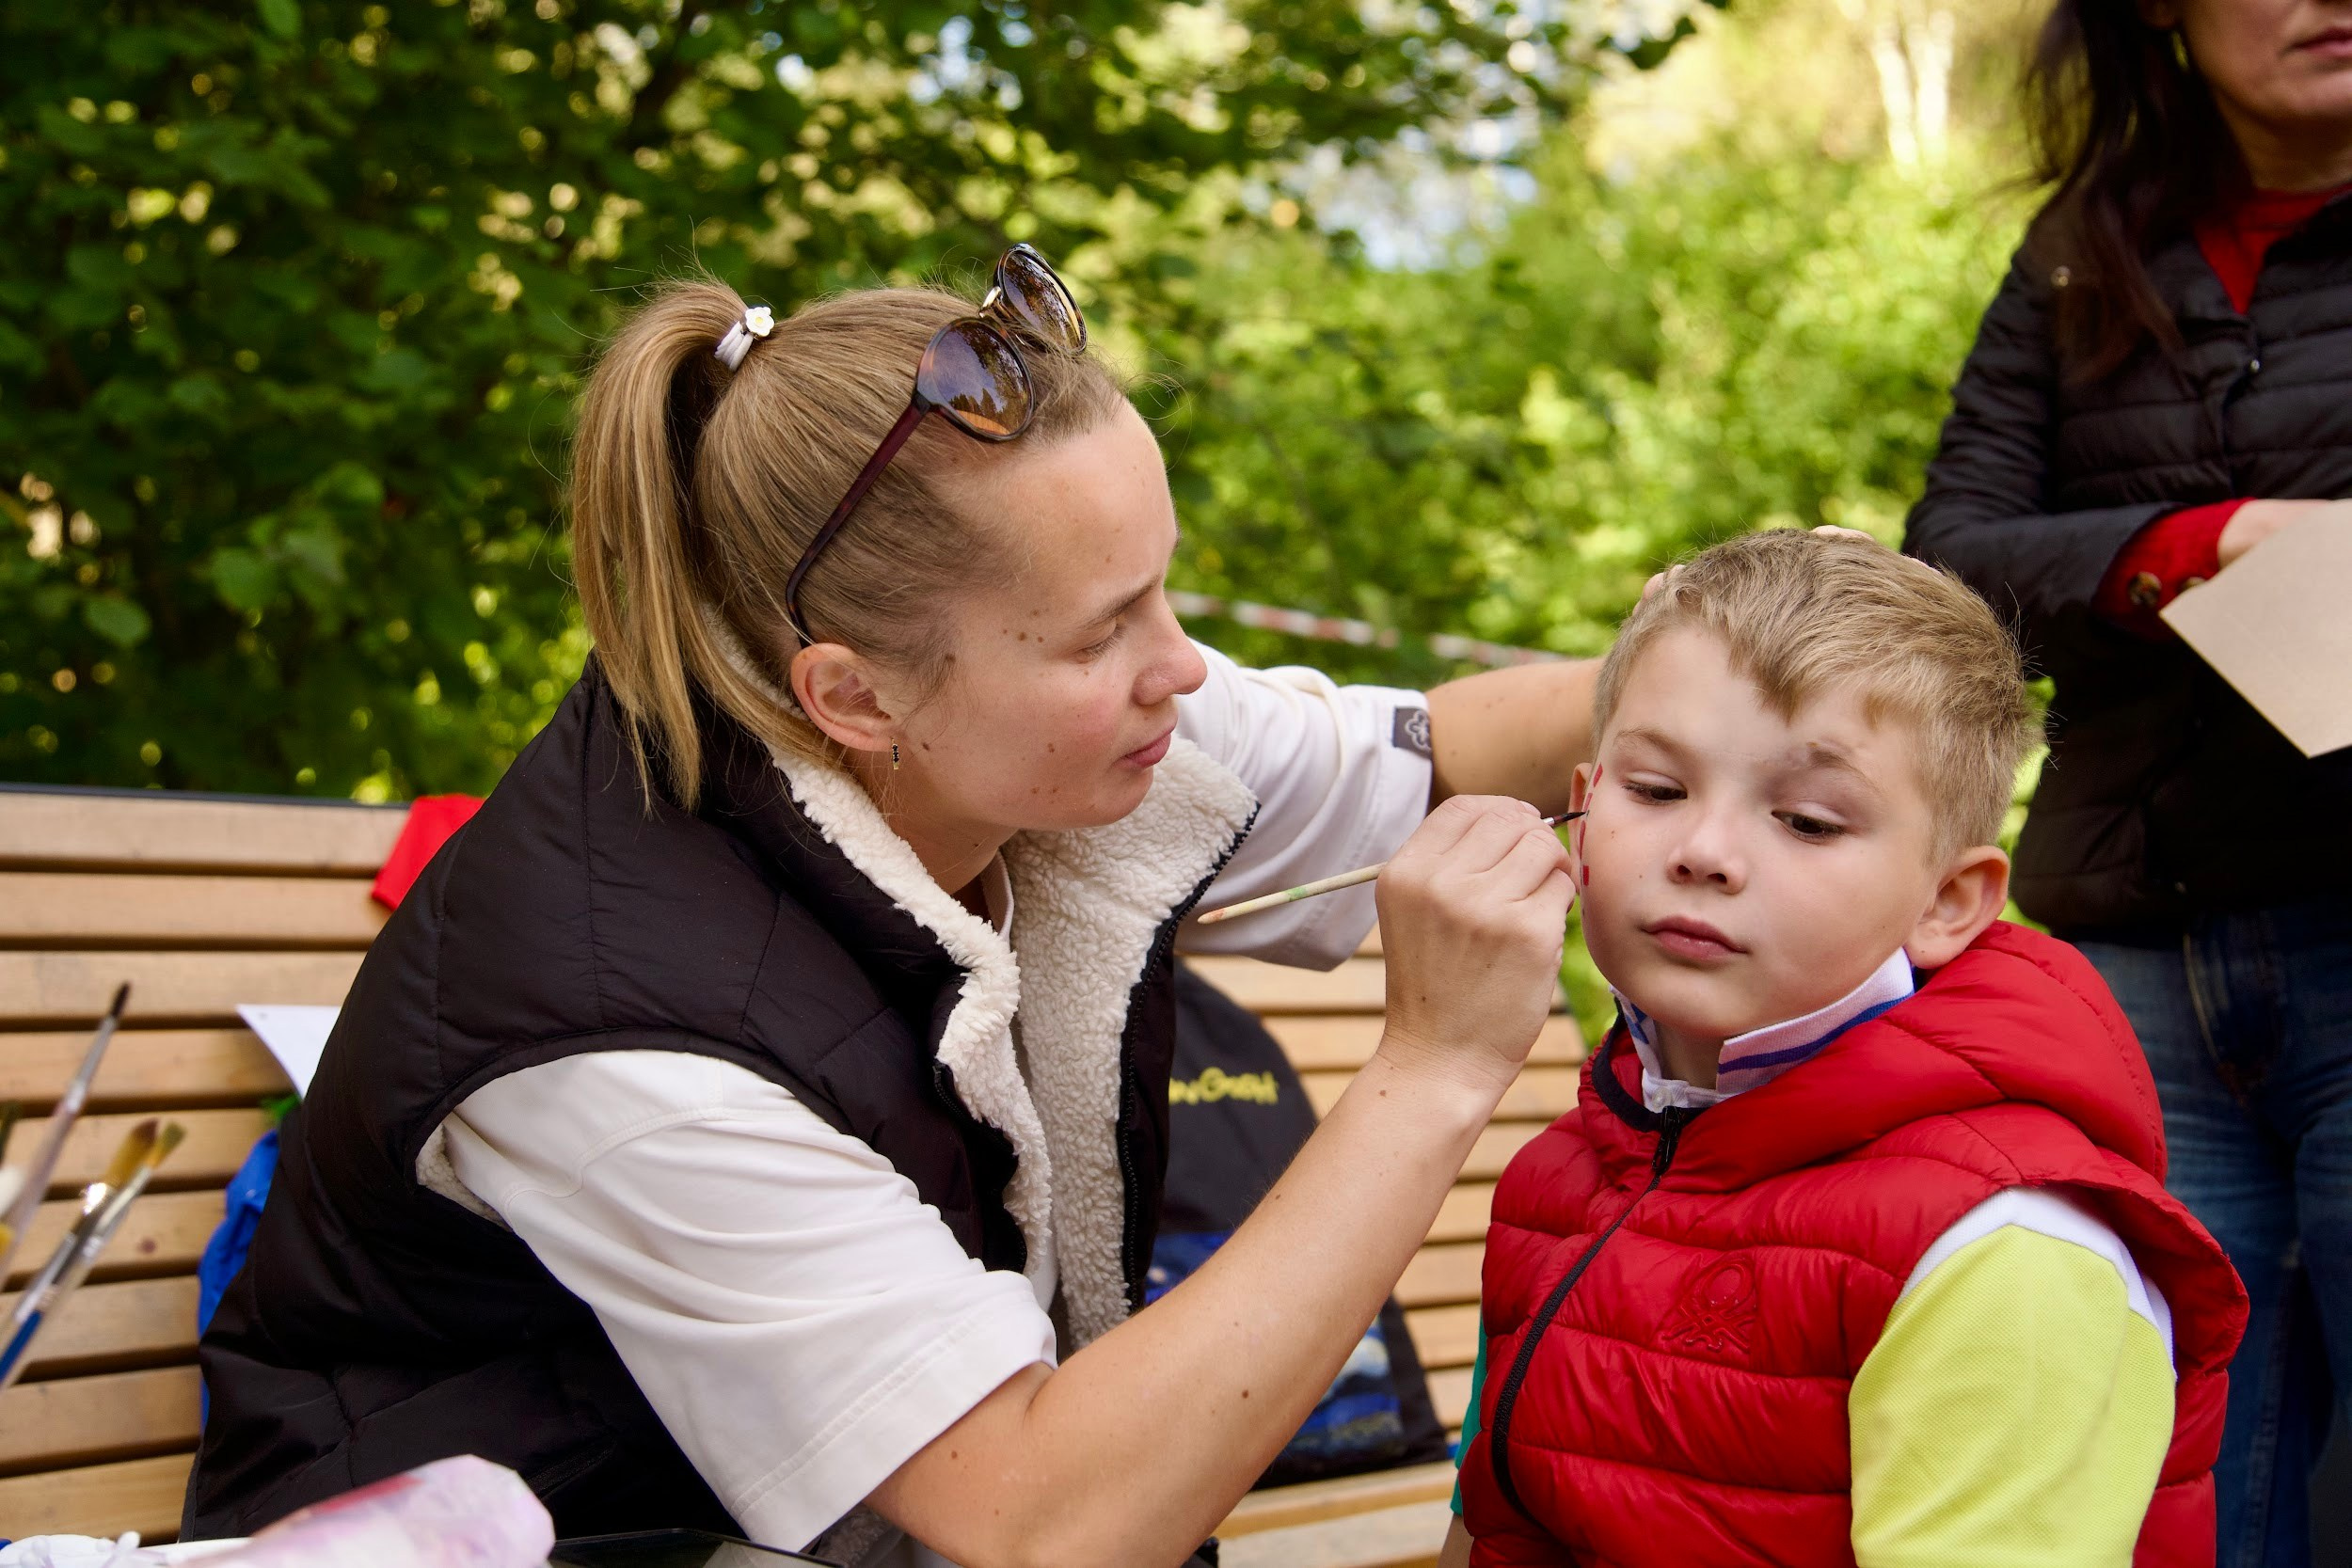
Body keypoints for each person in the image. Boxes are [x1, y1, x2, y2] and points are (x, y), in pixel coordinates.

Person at [183, 248, 1601, 1568]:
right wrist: (1433, 1069)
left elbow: (1426, 748)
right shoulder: (628, 1034)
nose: (1183, 667)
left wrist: (1710, 660)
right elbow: (1044, 1519)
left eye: (1164, 590)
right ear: (851, 693)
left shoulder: (994, 709)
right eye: (1108, 628)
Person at [1440, 531, 2247, 1568]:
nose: (1704, 850)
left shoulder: (2007, 1251)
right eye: (1654, 789)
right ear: (1584, 803)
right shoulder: (1566, 1169)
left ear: (1948, 901)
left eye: (1809, 820)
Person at [1902, 3, 2351, 1559]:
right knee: (2165, 1462)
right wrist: (2195, 550)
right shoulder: (2081, 248)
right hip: (2136, 955)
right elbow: (1945, 566)